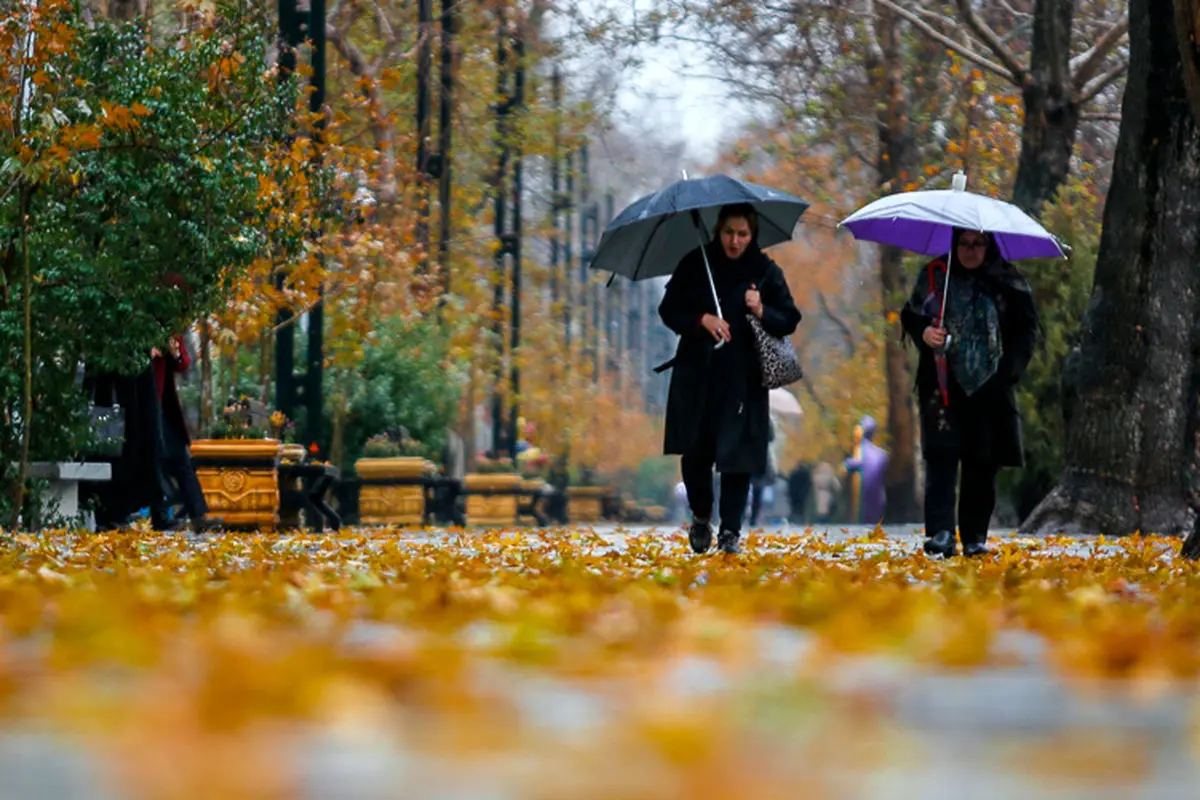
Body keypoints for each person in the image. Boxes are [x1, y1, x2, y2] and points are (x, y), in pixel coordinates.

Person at [658, 203, 802, 554]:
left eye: (742, 234)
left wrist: (761, 309)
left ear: (752, 235)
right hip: (697, 374)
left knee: (739, 458)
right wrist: (702, 320)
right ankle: (702, 514)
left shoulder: (765, 272)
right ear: (717, 230)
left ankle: (731, 532)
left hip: (743, 379)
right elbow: (669, 309)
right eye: (728, 233)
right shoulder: (696, 264)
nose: (735, 241)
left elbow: (789, 318)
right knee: (695, 453)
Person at [901, 228, 1037, 558]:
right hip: (943, 385)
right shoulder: (936, 276)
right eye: (963, 244)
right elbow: (911, 314)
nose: (970, 251)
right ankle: (941, 533)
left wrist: (1010, 372)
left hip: (991, 388)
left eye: (978, 244)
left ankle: (974, 536)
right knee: (942, 461)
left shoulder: (1008, 281)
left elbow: (1026, 329)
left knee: (982, 464)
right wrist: (925, 332)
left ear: (988, 246)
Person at [150, 335, 211, 532]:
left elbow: (183, 363)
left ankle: (198, 515)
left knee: (180, 458)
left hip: (165, 405)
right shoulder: (141, 322)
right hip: (146, 401)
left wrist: (174, 353)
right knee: (156, 460)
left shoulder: (171, 329)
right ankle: (161, 516)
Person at [843, 414, 889, 526]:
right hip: (878, 501)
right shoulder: (881, 454)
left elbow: (846, 468)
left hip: (863, 504)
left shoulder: (860, 451)